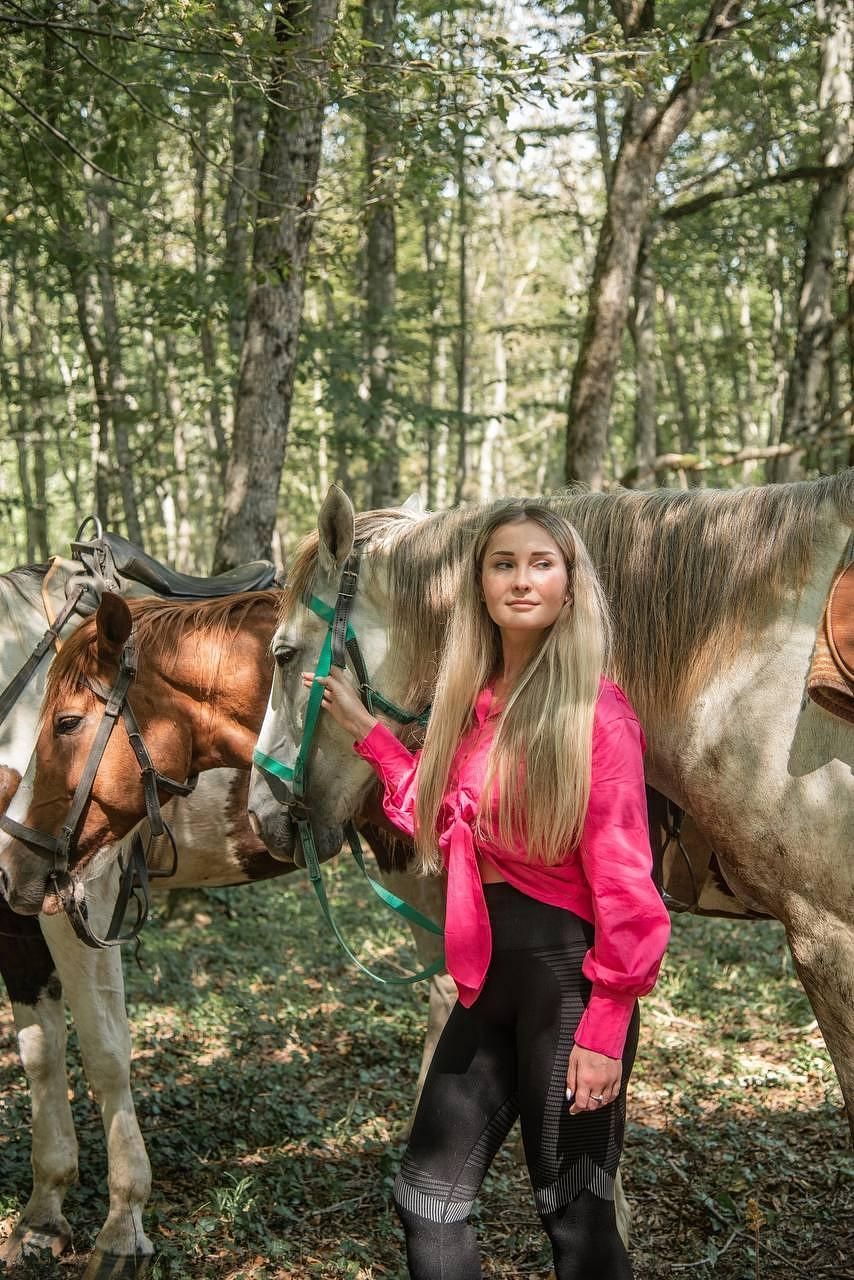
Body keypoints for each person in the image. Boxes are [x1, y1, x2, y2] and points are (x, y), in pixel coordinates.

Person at [302, 501, 671, 1280]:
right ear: (479, 586)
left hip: (566, 981)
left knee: (576, 1219)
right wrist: (370, 732)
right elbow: (448, 820)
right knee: (425, 1196)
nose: (521, 579)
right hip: (485, 976)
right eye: (503, 563)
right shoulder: (477, 709)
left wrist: (606, 1027)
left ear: (570, 587)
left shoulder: (595, 713)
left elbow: (628, 886)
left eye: (542, 563)